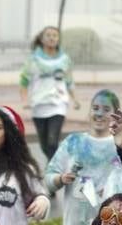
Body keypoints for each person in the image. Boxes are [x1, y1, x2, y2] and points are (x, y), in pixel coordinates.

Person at [45, 89, 122, 225]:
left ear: (116, 114)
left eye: (106, 110)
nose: (99, 114)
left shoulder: (120, 146)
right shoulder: (73, 142)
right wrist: (61, 179)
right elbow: (48, 181)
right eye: (95, 108)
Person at [19, 25, 80, 161]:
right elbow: (24, 81)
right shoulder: (33, 60)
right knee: (44, 145)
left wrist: (74, 99)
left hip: (58, 103)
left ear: (58, 39)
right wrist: (24, 101)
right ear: (42, 39)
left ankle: (55, 170)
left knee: (52, 141)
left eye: (55, 35)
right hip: (39, 104)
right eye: (48, 35)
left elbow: (69, 81)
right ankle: (54, 166)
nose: (52, 38)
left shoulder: (64, 59)